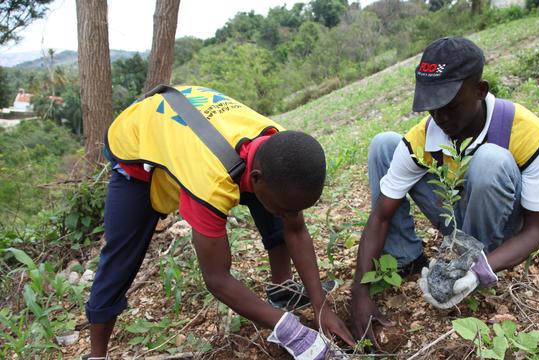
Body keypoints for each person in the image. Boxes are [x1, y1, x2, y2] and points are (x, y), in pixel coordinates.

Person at [85, 85, 355, 359]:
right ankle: (97, 354)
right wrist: (289, 330)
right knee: (121, 256)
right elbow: (216, 278)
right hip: (137, 143)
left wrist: (322, 308)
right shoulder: (210, 182)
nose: (292, 217)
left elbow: (295, 230)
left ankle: (282, 290)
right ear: (257, 178)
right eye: (289, 210)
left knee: (275, 206)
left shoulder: (281, 147)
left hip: (203, 130)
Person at [350, 36, 539, 346]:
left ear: (480, 90)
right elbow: (381, 216)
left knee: (490, 160)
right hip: (456, 217)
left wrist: (479, 270)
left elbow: (536, 231)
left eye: (450, 106)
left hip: (504, 227)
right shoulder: (426, 135)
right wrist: (359, 292)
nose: (440, 117)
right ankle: (408, 259)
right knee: (385, 145)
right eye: (432, 108)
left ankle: (471, 265)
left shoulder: (526, 131)